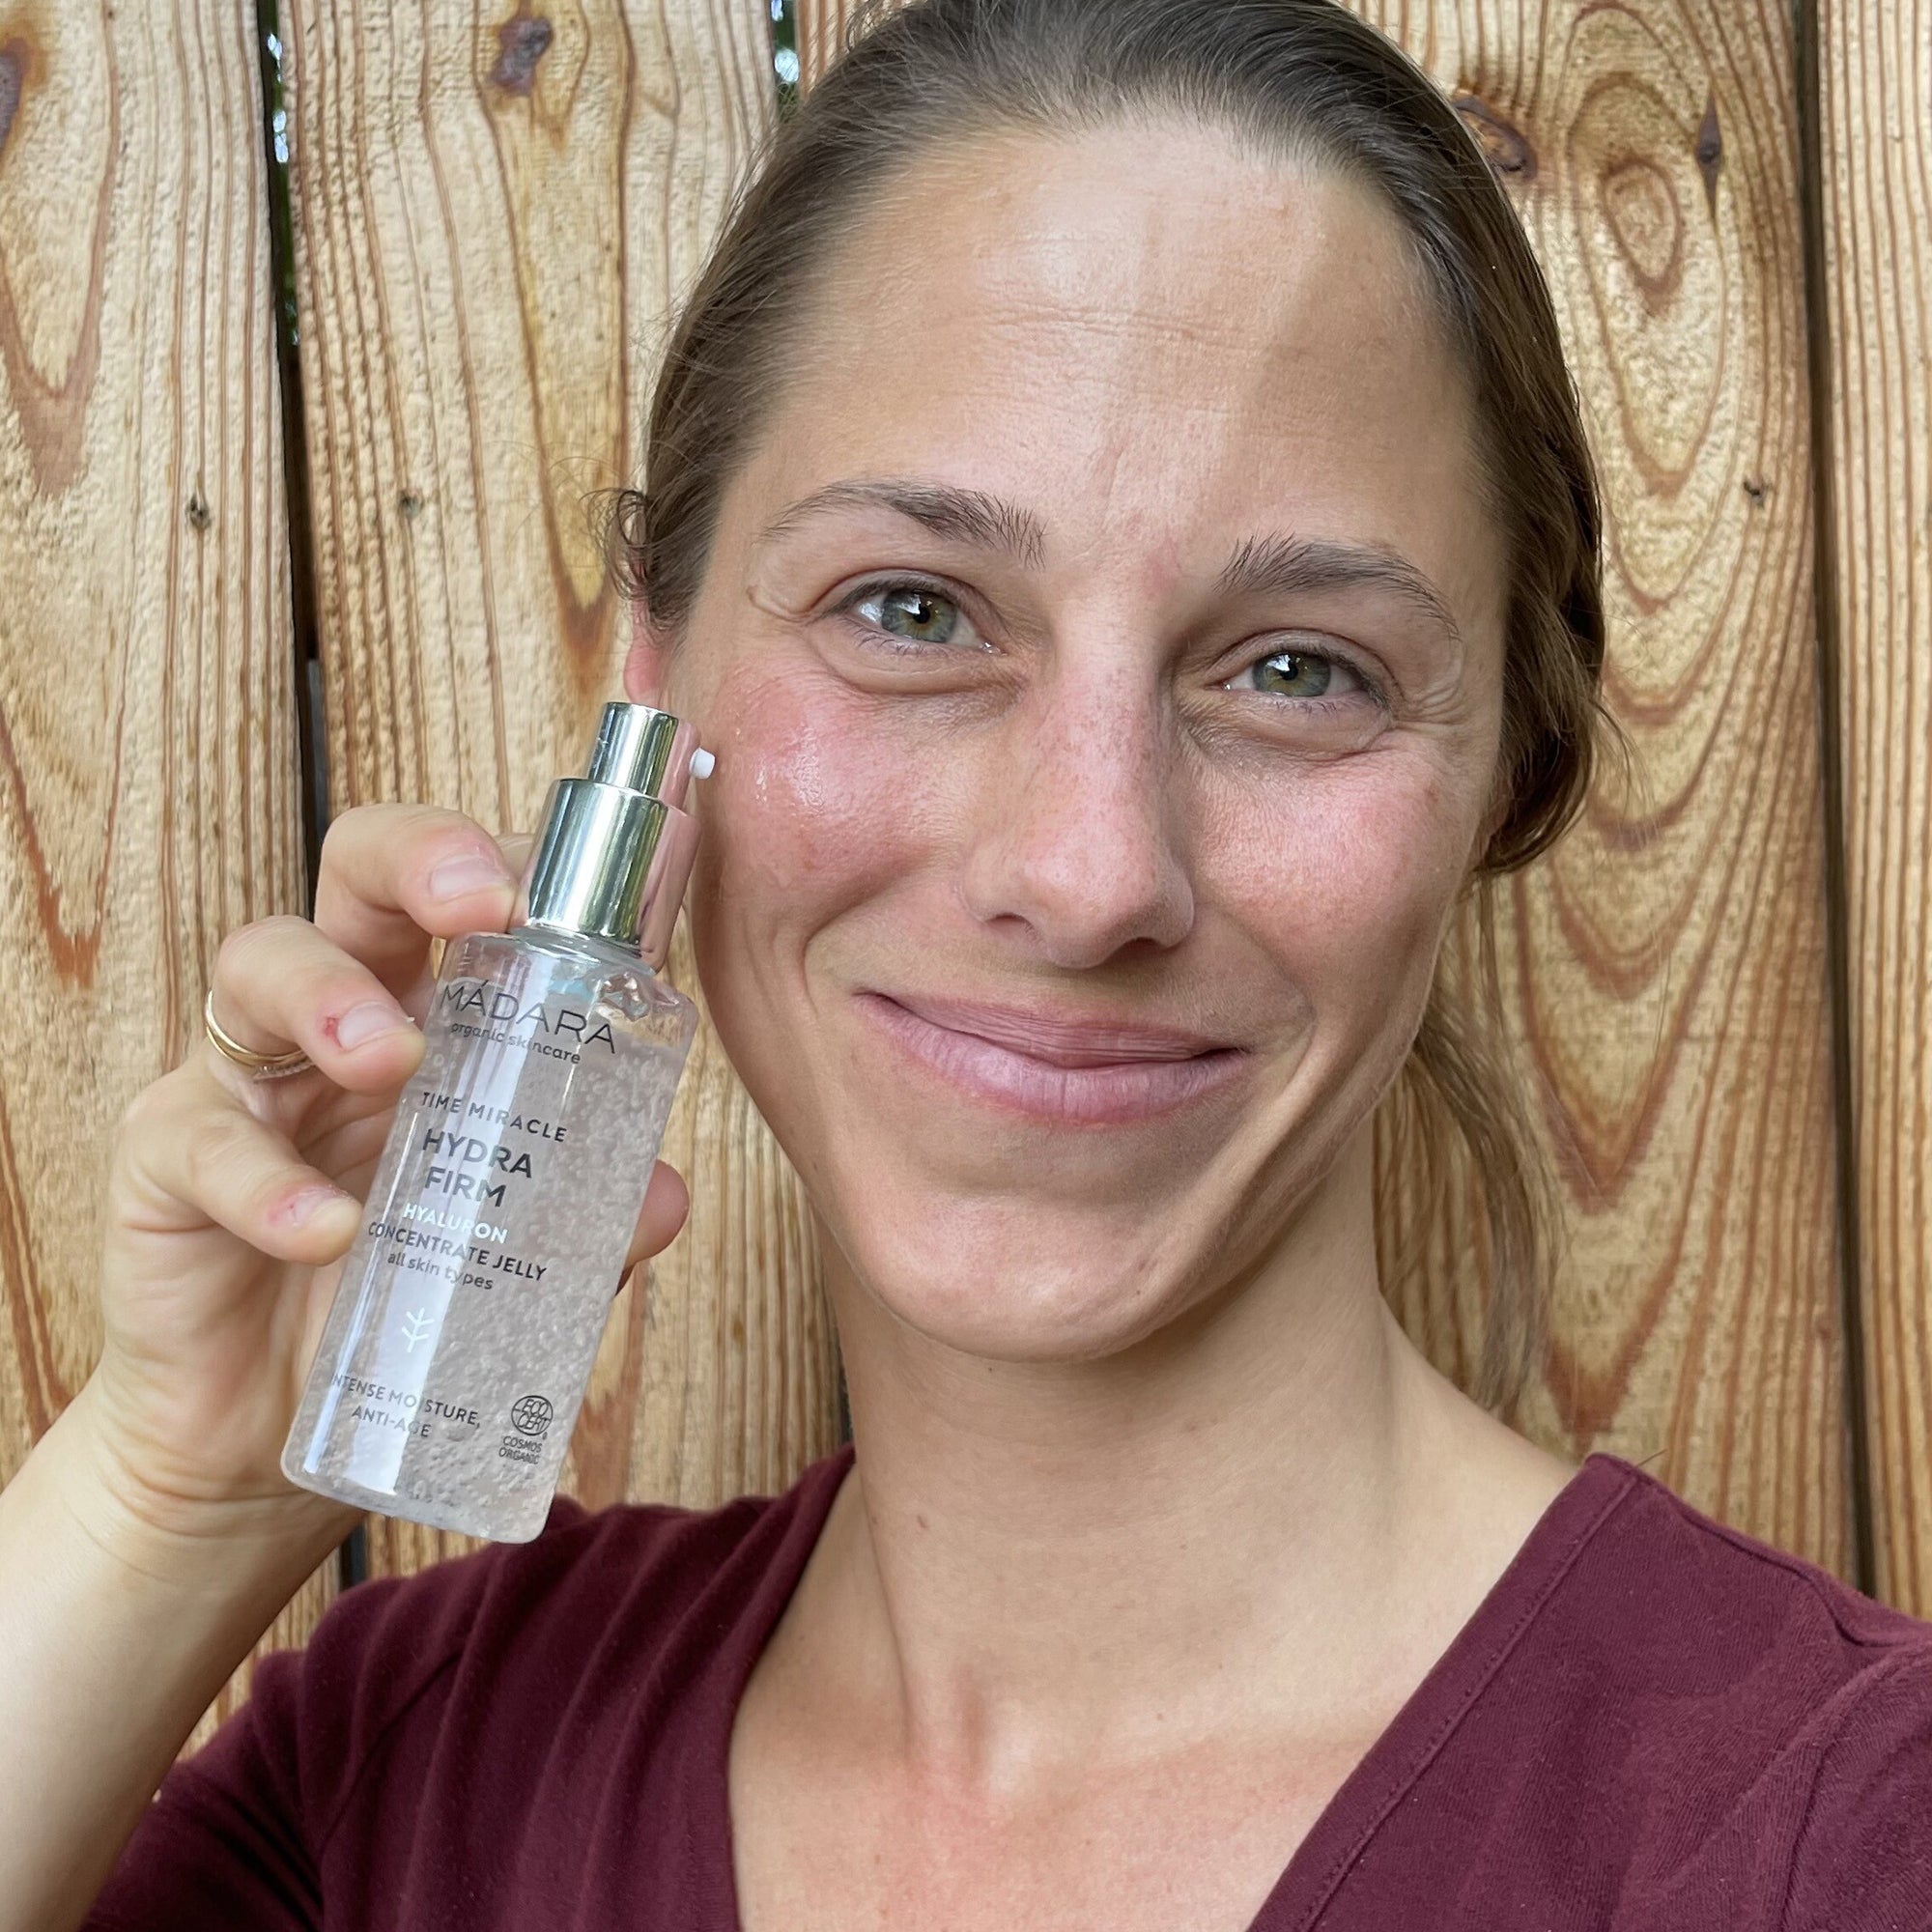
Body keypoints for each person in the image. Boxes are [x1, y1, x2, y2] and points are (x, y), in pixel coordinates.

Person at [5, 1, 1928, 1926]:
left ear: (1507, 771)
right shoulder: (402, 1771)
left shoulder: (1847, 1837)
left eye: (1296, 667)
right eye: (912, 610)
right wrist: (162, 1503)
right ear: (653, 678)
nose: (1086, 871)